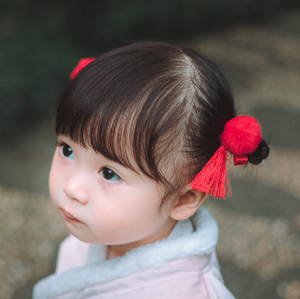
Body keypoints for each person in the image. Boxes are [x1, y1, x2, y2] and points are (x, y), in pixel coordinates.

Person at [33, 41, 269, 299]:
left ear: (183, 199)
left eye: (109, 173)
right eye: (67, 150)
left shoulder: (183, 292)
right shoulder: (99, 230)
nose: (71, 188)